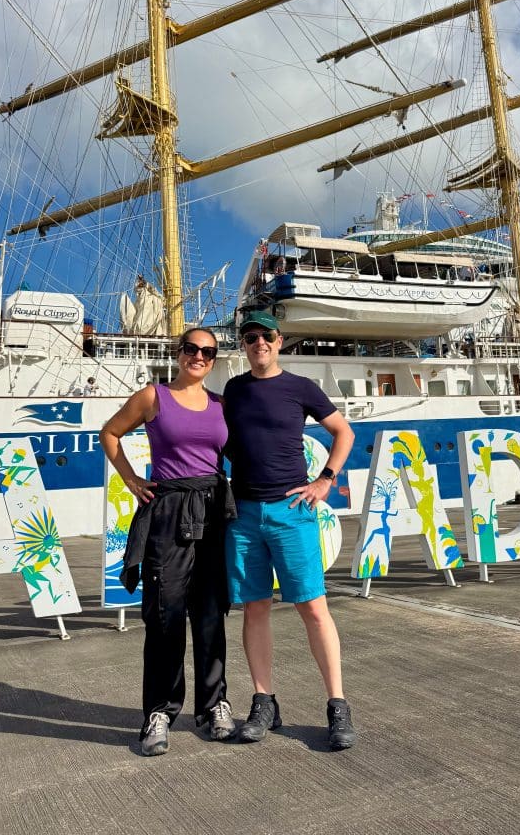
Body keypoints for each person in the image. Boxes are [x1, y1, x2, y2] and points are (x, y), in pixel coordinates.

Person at [223, 310, 357, 751]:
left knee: (313, 607)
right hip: (243, 514)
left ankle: (337, 705)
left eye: (265, 336)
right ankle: (264, 702)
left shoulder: (300, 388)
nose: (258, 343)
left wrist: (326, 479)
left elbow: (343, 431)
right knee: (254, 608)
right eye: (249, 337)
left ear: (279, 341)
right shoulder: (234, 389)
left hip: (291, 510)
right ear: (243, 345)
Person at [99, 328, 237, 756]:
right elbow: (110, 433)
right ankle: (159, 711)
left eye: (208, 352)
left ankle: (213, 706)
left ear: (214, 359)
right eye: (192, 349)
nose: (199, 356)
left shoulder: (221, 405)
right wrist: (131, 478)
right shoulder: (152, 396)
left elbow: (243, 453)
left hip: (213, 511)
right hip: (169, 511)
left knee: (212, 615)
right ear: (179, 353)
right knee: (164, 616)